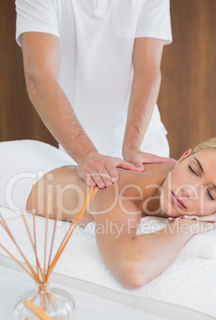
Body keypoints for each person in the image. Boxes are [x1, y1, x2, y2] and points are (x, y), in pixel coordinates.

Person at [1, 136, 216, 289]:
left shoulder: (181, 180)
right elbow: (132, 271)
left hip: (47, 159)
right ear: (182, 157)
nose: (189, 190)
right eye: (193, 170)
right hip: (13, 170)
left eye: (210, 194)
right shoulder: (118, 192)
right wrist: (189, 225)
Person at [15, 0, 175, 189]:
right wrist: (87, 154)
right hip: (77, 156)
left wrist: (132, 147)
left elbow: (147, 70)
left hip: (142, 149)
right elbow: (39, 76)